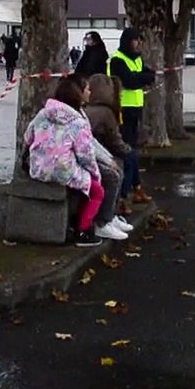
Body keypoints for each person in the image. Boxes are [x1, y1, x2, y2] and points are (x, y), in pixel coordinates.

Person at [23, 75, 106, 248]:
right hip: (62, 169)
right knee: (96, 191)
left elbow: (28, 136)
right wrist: (95, 174)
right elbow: (86, 155)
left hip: (37, 167)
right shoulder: (78, 122)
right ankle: (83, 230)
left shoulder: (42, 114)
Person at [85, 73, 140, 233]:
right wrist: (127, 151)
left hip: (94, 152)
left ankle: (114, 212)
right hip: (97, 153)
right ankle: (107, 217)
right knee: (122, 168)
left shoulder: (87, 109)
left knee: (122, 164)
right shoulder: (106, 113)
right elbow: (115, 142)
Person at [107, 29, 156, 202]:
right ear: (127, 41)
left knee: (133, 151)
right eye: (135, 40)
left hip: (136, 108)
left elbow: (151, 74)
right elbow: (130, 81)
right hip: (122, 110)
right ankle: (123, 194)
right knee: (127, 152)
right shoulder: (117, 60)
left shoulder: (137, 59)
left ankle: (136, 187)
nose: (138, 44)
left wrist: (142, 77)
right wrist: (142, 78)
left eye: (139, 41)